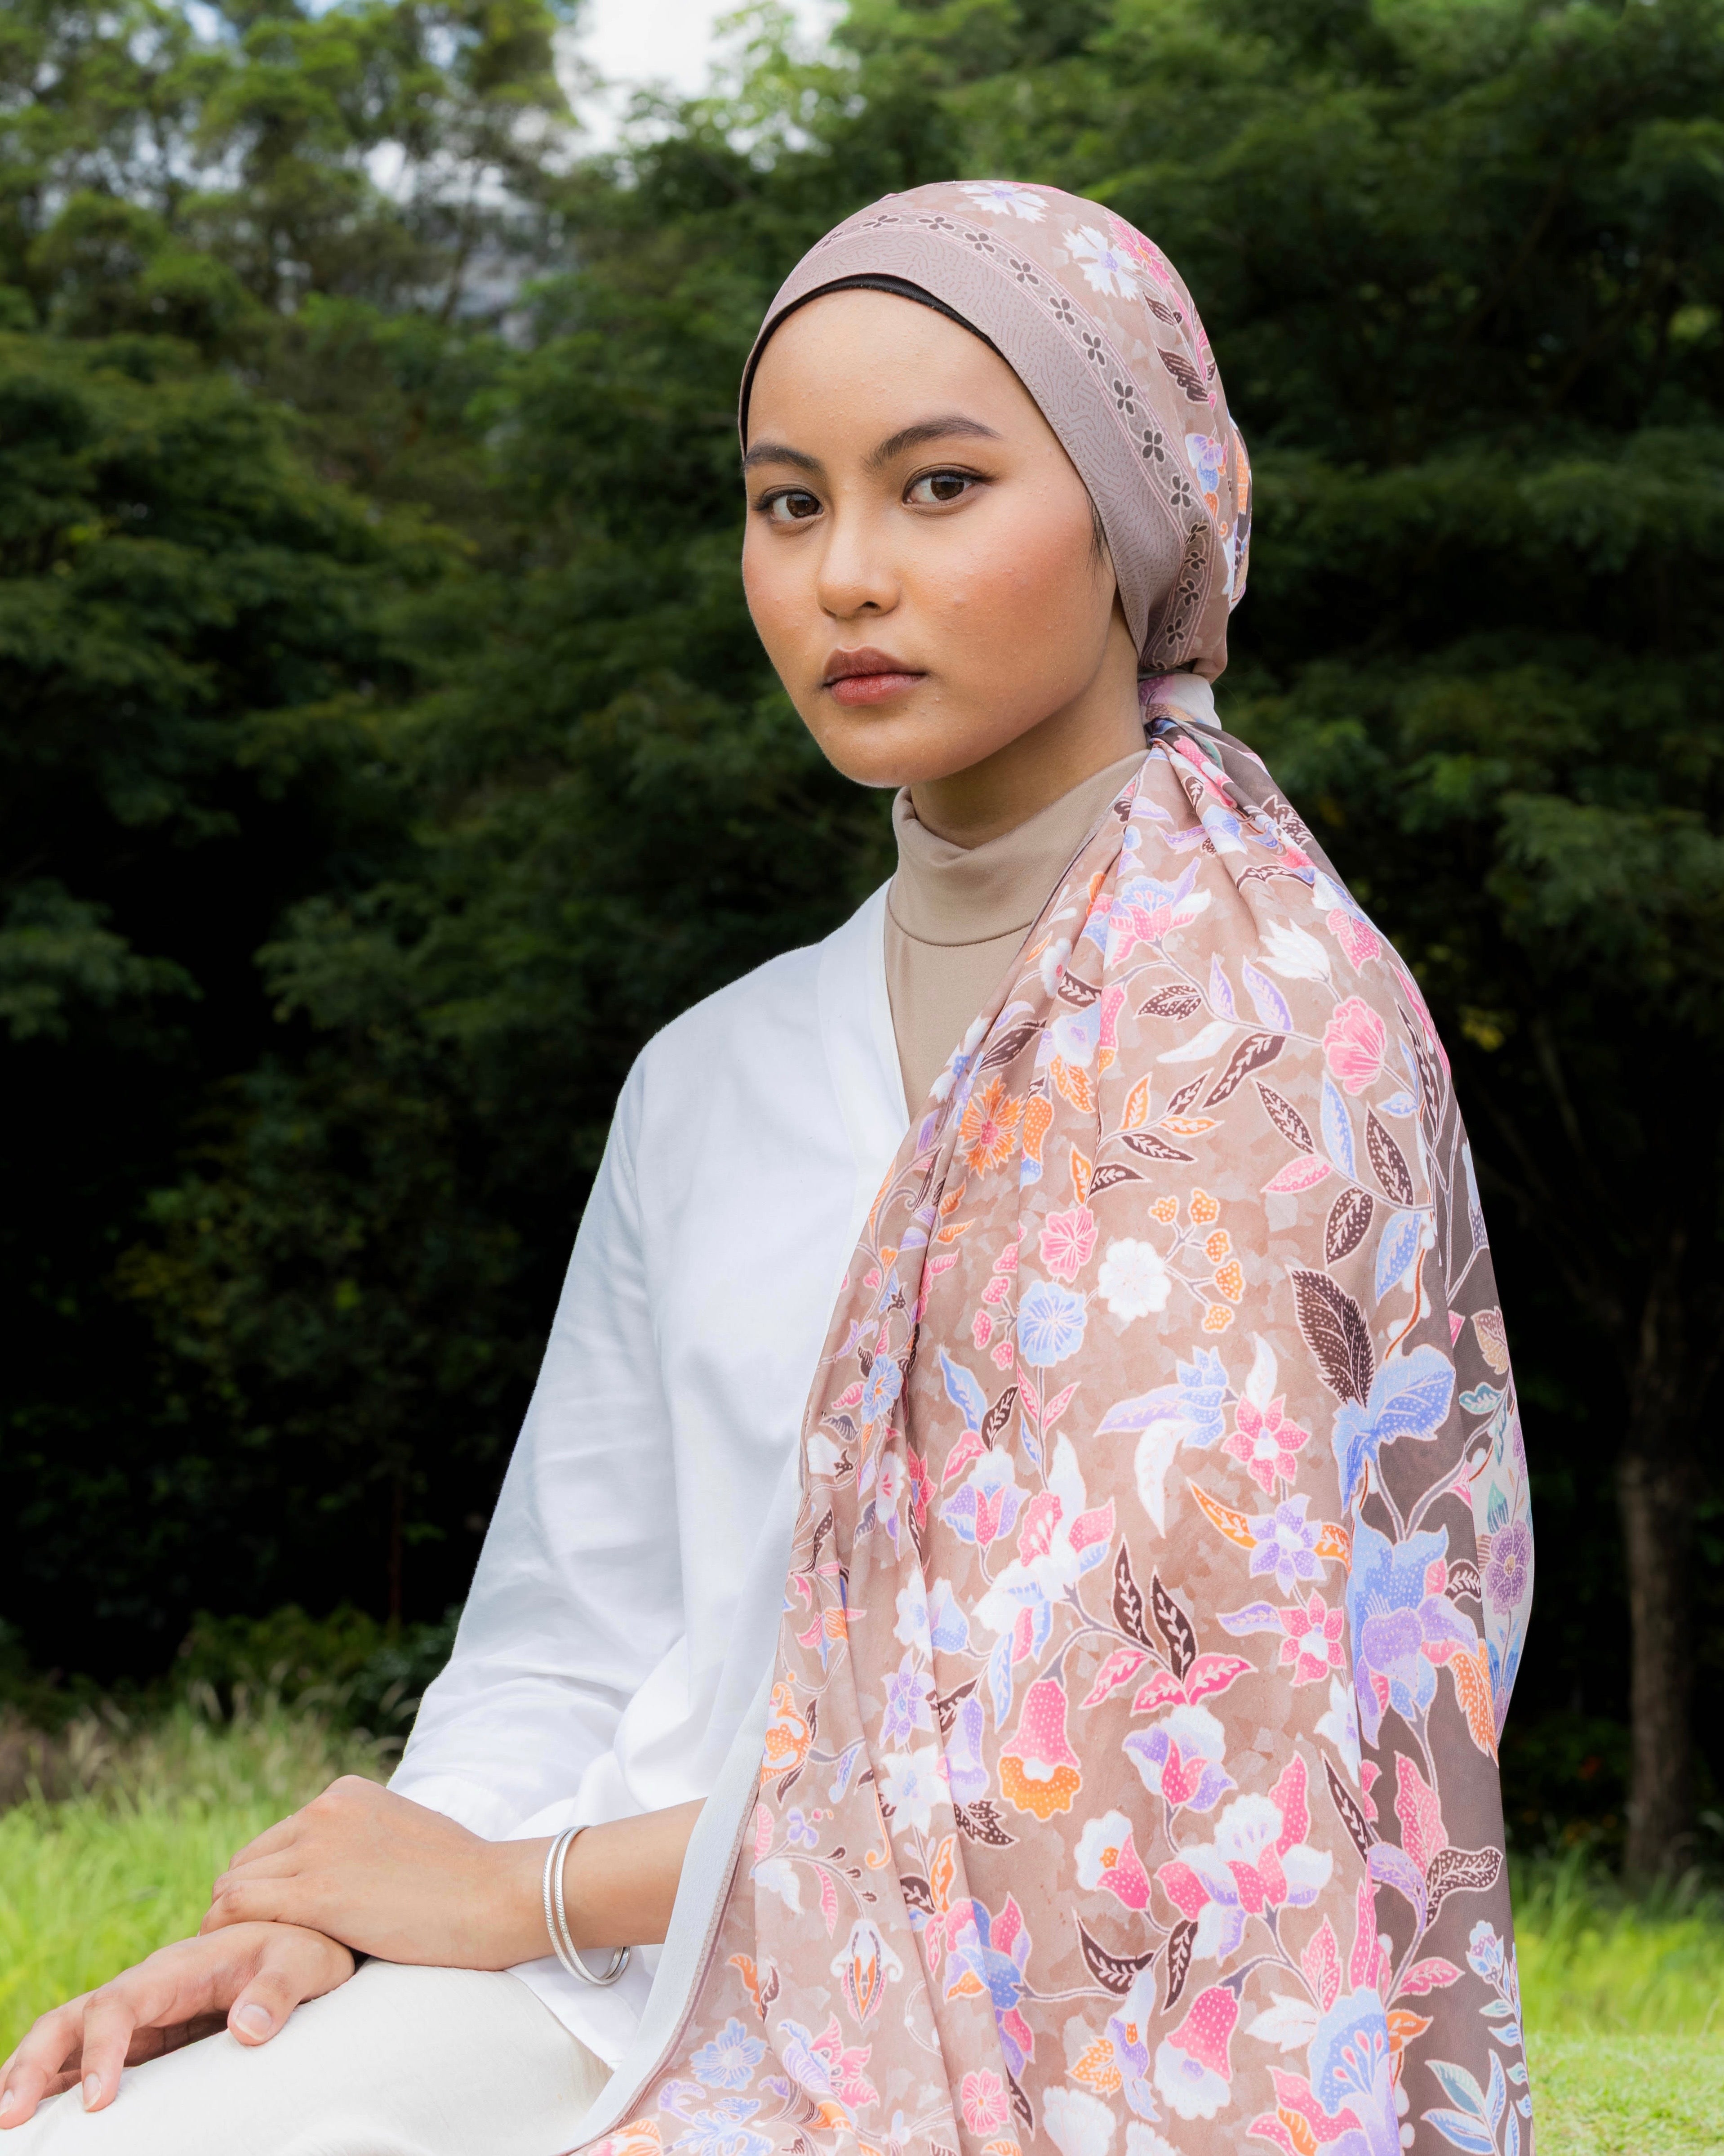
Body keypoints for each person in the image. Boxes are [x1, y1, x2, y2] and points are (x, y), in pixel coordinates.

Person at [0, 182, 1536, 2156]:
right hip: (602, 1993)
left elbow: (1154, 1752)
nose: (845, 576)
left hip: (1092, 2031)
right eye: (788, 500)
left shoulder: (1270, 1035)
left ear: (1134, 515)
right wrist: (348, 1920)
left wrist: (509, 1892)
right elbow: (567, 1632)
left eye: (939, 484)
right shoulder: (709, 1072)